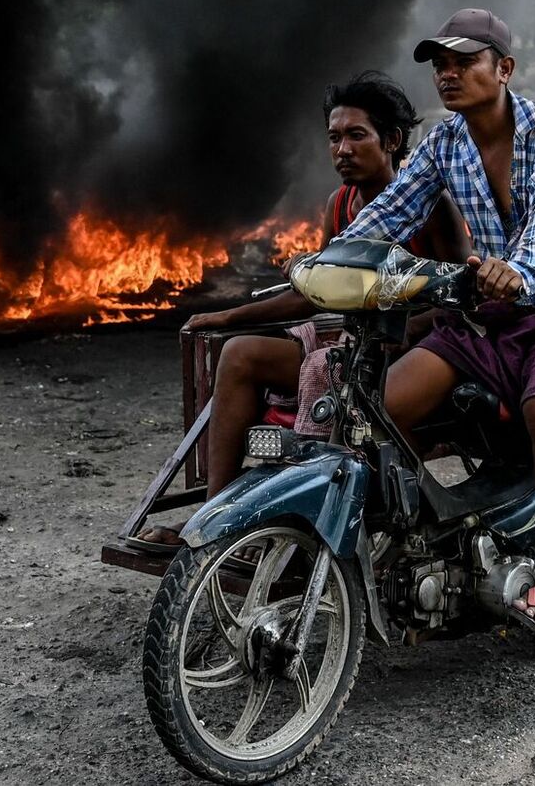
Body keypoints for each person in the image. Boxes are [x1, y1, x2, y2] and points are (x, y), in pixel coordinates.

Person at [338, 8, 535, 642]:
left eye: (464, 62)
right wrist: (331, 260)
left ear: (504, 69)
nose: (449, 74)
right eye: (440, 65)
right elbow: (389, 212)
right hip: (492, 312)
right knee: (381, 406)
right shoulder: (445, 143)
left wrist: (518, 270)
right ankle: (419, 538)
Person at [131, 72, 469, 550]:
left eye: (356, 135)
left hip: (411, 354)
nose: (342, 149)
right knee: (239, 354)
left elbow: (460, 298)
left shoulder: (433, 207)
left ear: (392, 141)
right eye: (334, 137)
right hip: (353, 342)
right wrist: (227, 317)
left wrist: (405, 329)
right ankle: (214, 520)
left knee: (325, 368)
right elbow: (316, 293)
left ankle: (309, 527)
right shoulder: (340, 204)